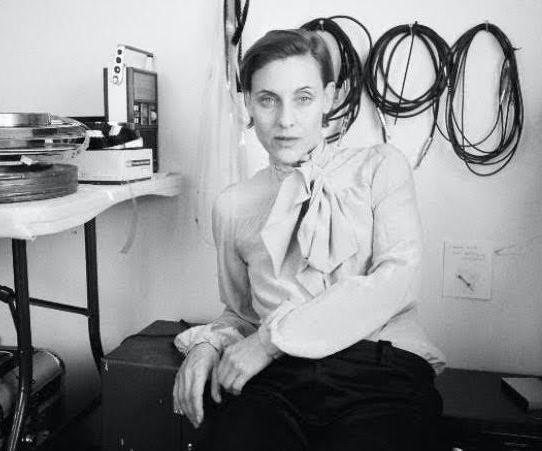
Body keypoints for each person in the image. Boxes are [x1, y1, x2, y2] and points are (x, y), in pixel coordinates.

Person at [172, 28, 446, 451]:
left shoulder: (381, 167)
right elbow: (241, 313)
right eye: (268, 99)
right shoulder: (232, 206)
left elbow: (396, 279)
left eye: (303, 98)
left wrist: (270, 341)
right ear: (248, 102)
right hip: (275, 385)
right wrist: (207, 345)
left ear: (330, 97)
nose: (285, 120)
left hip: (380, 370)